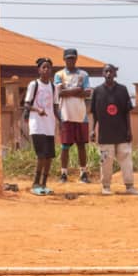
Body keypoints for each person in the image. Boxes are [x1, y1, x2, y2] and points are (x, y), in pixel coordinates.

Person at [89, 63, 138, 196]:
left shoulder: (122, 90)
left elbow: (127, 112)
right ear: (102, 74)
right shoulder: (97, 91)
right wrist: (93, 129)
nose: (108, 74)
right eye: (106, 72)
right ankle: (106, 186)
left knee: (126, 159)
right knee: (106, 160)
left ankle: (129, 186)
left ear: (115, 74)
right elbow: (94, 113)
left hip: (122, 132)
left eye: (110, 72)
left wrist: (129, 130)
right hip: (105, 134)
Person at [54, 48, 91, 184]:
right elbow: (59, 93)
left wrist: (67, 90)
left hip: (81, 115)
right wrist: (77, 90)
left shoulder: (83, 74)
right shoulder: (59, 74)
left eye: (72, 58)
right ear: (64, 59)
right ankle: (63, 173)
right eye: (68, 58)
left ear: (76, 59)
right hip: (65, 114)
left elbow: (87, 93)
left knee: (81, 145)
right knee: (65, 146)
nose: (70, 60)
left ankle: (83, 173)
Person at [23, 57, 60, 196]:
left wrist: (61, 121)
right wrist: (38, 110)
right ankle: (35, 183)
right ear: (39, 70)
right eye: (43, 67)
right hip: (37, 125)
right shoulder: (34, 85)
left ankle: (44, 184)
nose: (46, 69)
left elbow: (55, 108)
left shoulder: (53, 87)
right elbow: (26, 104)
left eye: (49, 67)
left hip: (49, 125)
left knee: (49, 156)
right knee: (41, 156)